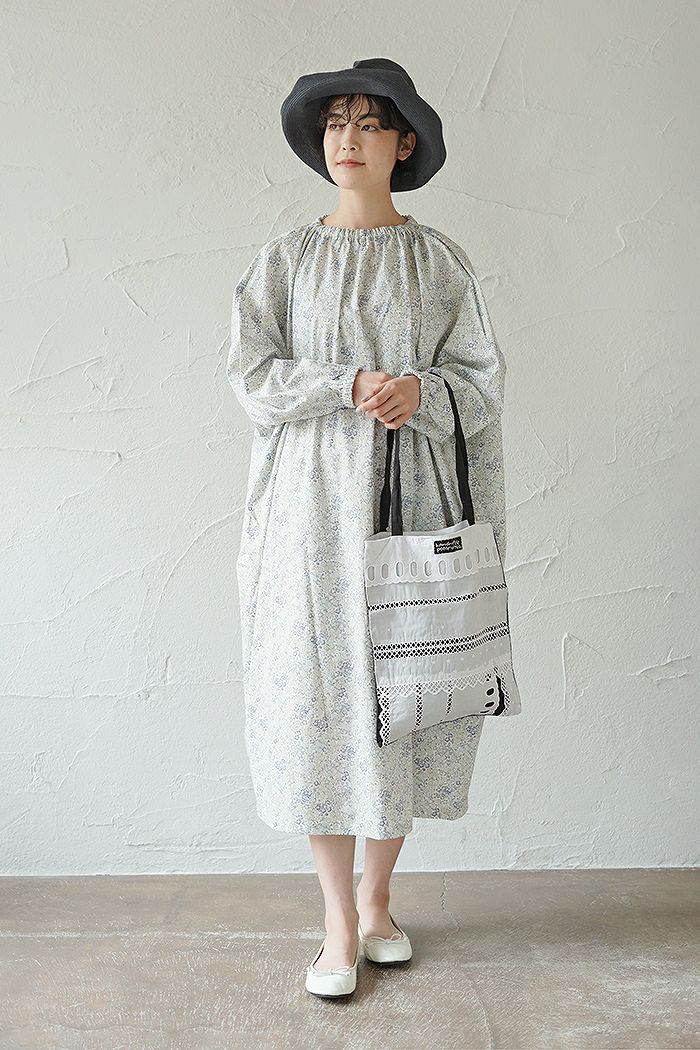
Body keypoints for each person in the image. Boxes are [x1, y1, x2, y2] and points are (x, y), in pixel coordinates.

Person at [227, 58, 509, 999]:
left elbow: (482, 380)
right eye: (335, 123)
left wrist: (420, 392)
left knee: (405, 694)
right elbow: (251, 375)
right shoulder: (286, 260)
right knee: (317, 700)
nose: (347, 139)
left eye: (368, 123)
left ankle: (380, 901)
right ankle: (337, 922)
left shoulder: (439, 262)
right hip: (308, 516)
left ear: (404, 143)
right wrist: (342, 384)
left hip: (410, 510)